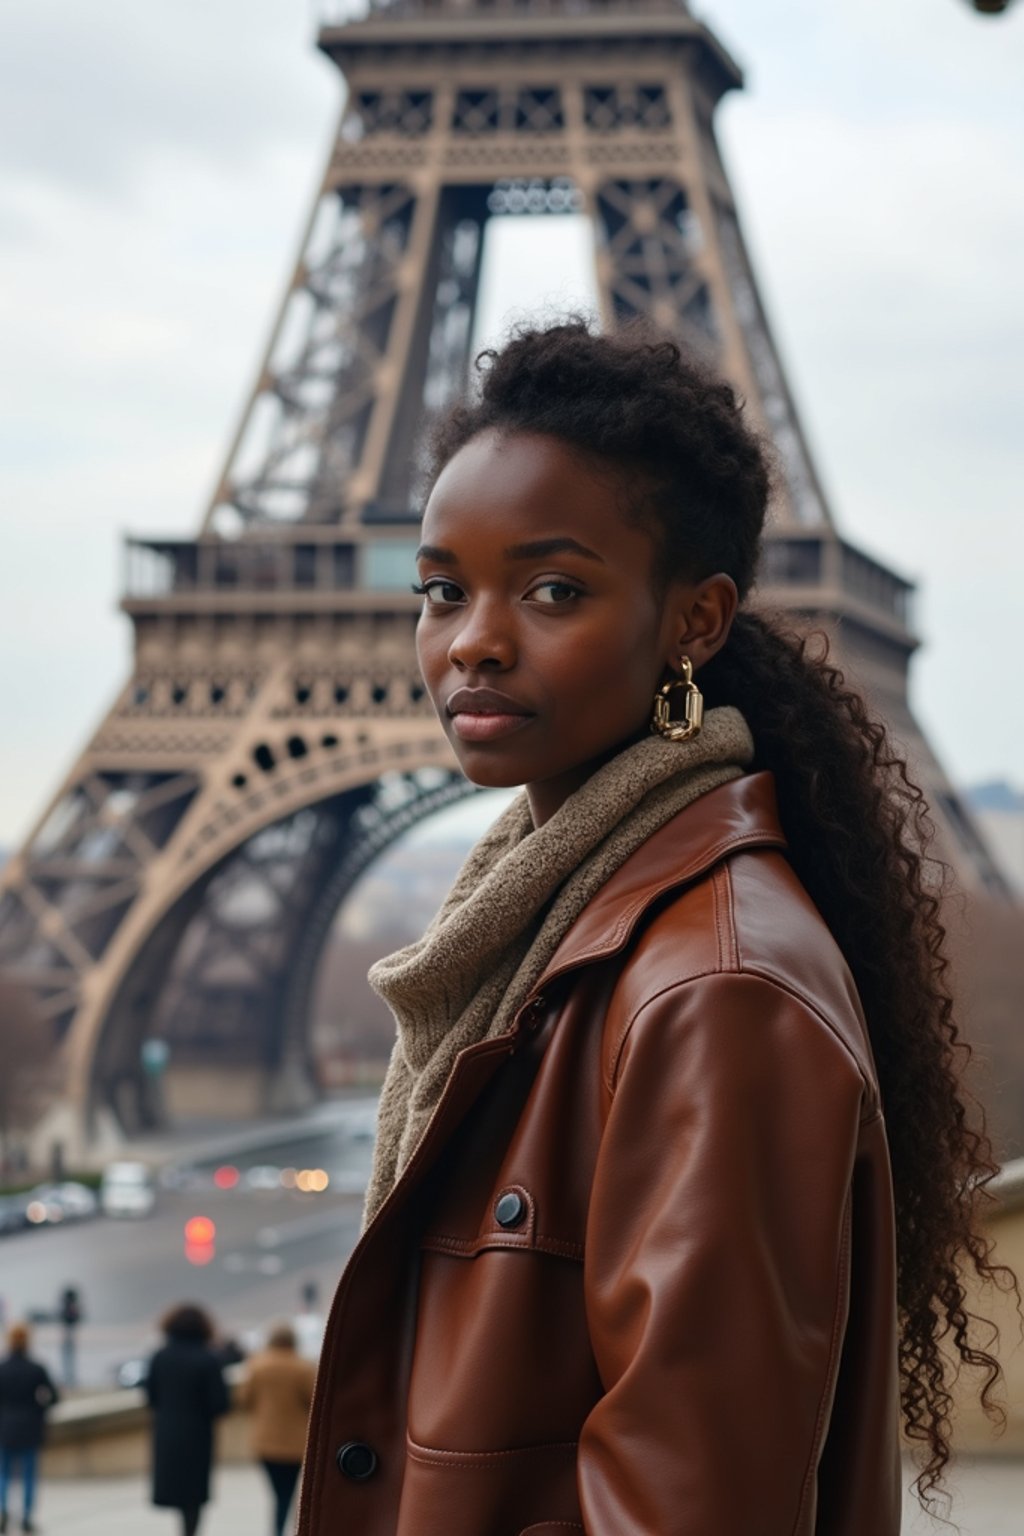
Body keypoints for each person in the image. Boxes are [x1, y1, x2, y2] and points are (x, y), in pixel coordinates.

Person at [297, 316, 1013, 1536]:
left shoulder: (713, 991)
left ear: (695, 621)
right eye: (440, 589)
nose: (471, 637)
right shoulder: (552, 934)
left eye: (553, 589)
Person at [145, 1304, 229, 1536]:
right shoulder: (208, 1359)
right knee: (194, 1495)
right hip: (198, 1435)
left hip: (167, 1432)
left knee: (177, 1490)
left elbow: (150, 1397)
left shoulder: (159, 1357)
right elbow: (220, 1404)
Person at [239, 1323, 317, 1536]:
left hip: (265, 1442)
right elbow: (315, 1401)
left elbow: (245, 1400)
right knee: (291, 1492)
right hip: (295, 1442)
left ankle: (277, 1529)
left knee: (278, 1493)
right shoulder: (303, 1367)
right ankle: (291, 1528)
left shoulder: (256, 1366)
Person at [0, 1323, 58, 1534]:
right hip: (30, 1427)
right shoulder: (36, 1368)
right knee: (29, 1476)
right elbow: (53, 1397)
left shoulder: (2, 1368)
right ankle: (26, 1516)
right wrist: (38, 1409)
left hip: (4, 1427)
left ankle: (3, 1509)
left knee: (3, 1474)